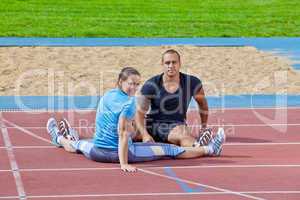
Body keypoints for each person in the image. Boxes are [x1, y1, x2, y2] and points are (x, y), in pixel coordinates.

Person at [47, 67, 225, 173]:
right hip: (120, 153)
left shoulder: (108, 95)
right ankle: (210, 149)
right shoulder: (129, 103)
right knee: (172, 149)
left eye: (137, 84)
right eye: (130, 83)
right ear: (120, 82)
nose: (134, 87)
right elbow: (123, 134)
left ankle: (59, 138)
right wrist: (124, 163)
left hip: (97, 151)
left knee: (78, 144)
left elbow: (103, 124)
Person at [136, 49, 211, 147]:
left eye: (174, 62)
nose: (171, 66)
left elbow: (203, 105)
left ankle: (203, 147)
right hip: (152, 125)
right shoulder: (151, 84)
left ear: (180, 63)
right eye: (167, 63)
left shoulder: (192, 82)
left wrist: (203, 128)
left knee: (183, 135)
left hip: (175, 125)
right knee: (128, 127)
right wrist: (145, 135)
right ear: (162, 64)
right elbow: (139, 113)